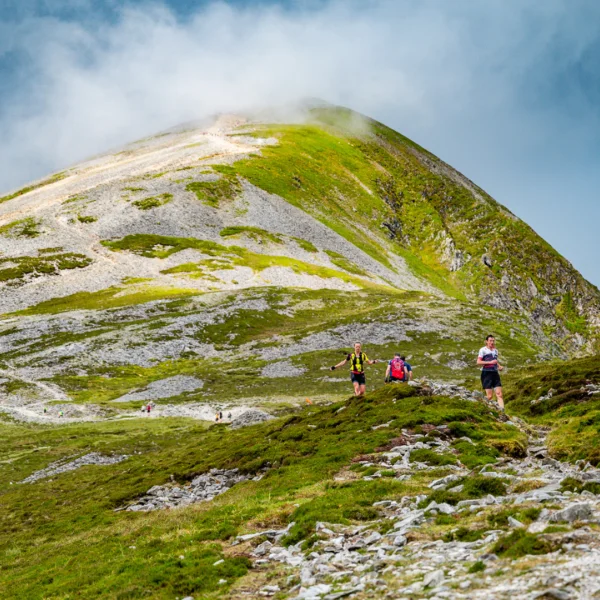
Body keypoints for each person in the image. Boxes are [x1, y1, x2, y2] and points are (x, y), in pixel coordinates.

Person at [477, 335, 504, 411]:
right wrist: (490, 362)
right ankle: (481, 408)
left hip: (495, 373)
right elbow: (478, 362)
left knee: (499, 394)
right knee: (489, 396)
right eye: (490, 341)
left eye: (493, 341)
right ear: (486, 341)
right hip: (486, 373)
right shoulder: (483, 350)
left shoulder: (495, 350)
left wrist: (499, 366)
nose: (492, 342)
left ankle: (502, 412)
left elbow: (494, 361)